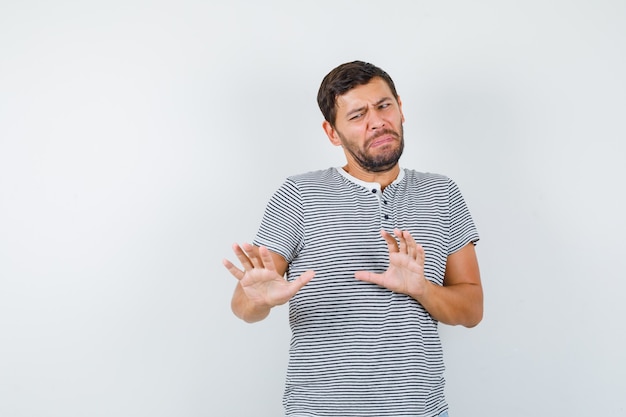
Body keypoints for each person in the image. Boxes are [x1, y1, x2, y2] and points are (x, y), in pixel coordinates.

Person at [222, 60, 483, 417]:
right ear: (332, 133)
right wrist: (258, 299)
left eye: (384, 105)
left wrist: (422, 289)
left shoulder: (442, 193)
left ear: (401, 108)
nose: (377, 121)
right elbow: (244, 306)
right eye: (358, 115)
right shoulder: (299, 194)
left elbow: (471, 310)